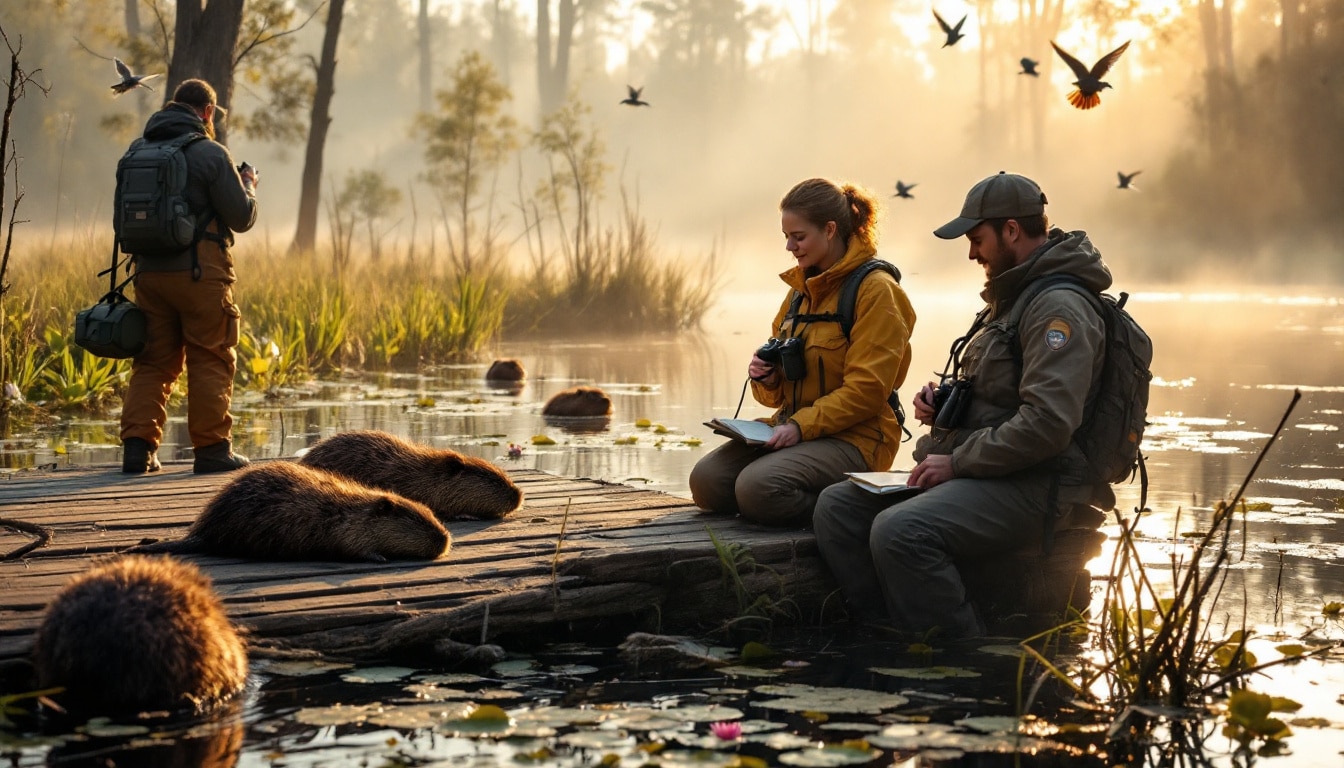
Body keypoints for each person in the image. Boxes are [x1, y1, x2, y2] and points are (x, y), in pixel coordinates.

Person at [812, 171, 1119, 638]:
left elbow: (1048, 424)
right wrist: (949, 407)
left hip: (1040, 484)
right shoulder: (1015, 295)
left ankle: (955, 652)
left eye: (978, 239)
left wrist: (956, 461)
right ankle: (886, 632)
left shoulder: (1059, 308)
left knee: (901, 530)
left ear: (1011, 230)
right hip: (992, 471)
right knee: (838, 506)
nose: (972, 252)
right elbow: (1004, 395)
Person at [689, 178, 916, 527]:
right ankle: (783, 495)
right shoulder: (800, 291)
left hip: (857, 438)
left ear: (829, 229)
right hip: (796, 429)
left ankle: (855, 507)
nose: (790, 247)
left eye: (798, 237)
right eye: (786, 237)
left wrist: (800, 427)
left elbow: (868, 392)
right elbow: (774, 396)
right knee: (707, 482)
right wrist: (766, 376)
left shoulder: (876, 291)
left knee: (758, 488)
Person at [120, 79, 258, 474]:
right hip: (201, 275)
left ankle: (137, 448)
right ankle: (213, 450)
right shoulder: (212, 153)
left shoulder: (137, 151)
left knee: (153, 362)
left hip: (149, 274)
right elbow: (241, 217)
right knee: (211, 356)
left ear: (172, 106)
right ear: (208, 113)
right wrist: (248, 185)